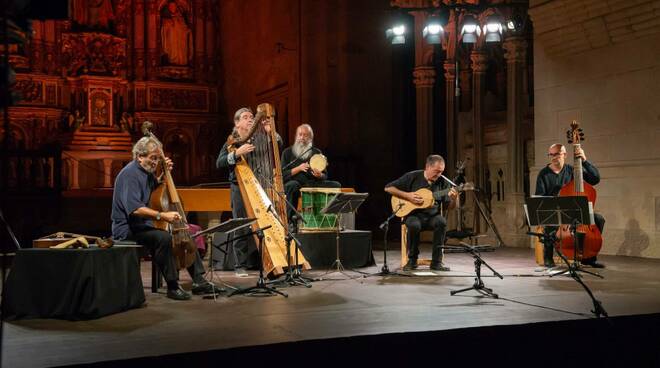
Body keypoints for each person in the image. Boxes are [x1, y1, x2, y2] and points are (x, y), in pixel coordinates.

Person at [111, 136, 215, 300]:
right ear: (140, 156)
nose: (155, 162)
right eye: (153, 158)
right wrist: (162, 215)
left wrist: (165, 174)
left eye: (158, 158)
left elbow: (154, 189)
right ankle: (172, 287)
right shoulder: (129, 175)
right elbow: (135, 209)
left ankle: (199, 280)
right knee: (164, 238)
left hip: (144, 226)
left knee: (186, 231)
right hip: (127, 228)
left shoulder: (145, 172)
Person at [535, 143, 605, 268]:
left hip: (575, 212)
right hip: (556, 211)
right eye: (551, 154)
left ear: (565, 155)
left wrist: (584, 161)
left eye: (557, 154)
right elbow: (540, 197)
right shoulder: (543, 174)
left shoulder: (573, 171)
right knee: (549, 221)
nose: (553, 157)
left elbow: (595, 179)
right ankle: (548, 256)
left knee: (598, 219)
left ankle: (589, 257)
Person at [385, 155, 457, 271]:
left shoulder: (443, 182)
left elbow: (451, 207)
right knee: (414, 225)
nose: (439, 175)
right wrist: (407, 196)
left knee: (441, 222)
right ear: (427, 167)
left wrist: (454, 198)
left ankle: (436, 262)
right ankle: (412, 260)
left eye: (441, 172)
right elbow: (388, 188)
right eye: (436, 171)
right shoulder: (412, 176)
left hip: (432, 217)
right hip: (413, 215)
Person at [216, 108, 260, 277]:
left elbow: (276, 146)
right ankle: (239, 265)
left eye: (251, 117)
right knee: (241, 225)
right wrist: (236, 154)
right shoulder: (231, 142)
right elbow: (219, 163)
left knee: (261, 225)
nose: (250, 119)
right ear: (237, 123)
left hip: (257, 187)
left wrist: (272, 134)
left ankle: (261, 261)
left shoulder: (259, 139)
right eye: (245, 117)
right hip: (238, 187)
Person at [280, 124, 341, 222]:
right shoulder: (287, 152)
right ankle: (290, 221)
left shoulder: (317, 152)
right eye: (300, 135)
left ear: (310, 138)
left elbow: (325, 175)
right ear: (296, 136)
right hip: (296, 183)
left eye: (305, 135)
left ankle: (330, 218)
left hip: (312, 183)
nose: (302, 138)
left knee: (336, 185)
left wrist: (319, 175)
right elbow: (282, 175)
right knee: (291, 185)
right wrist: (298, 168)